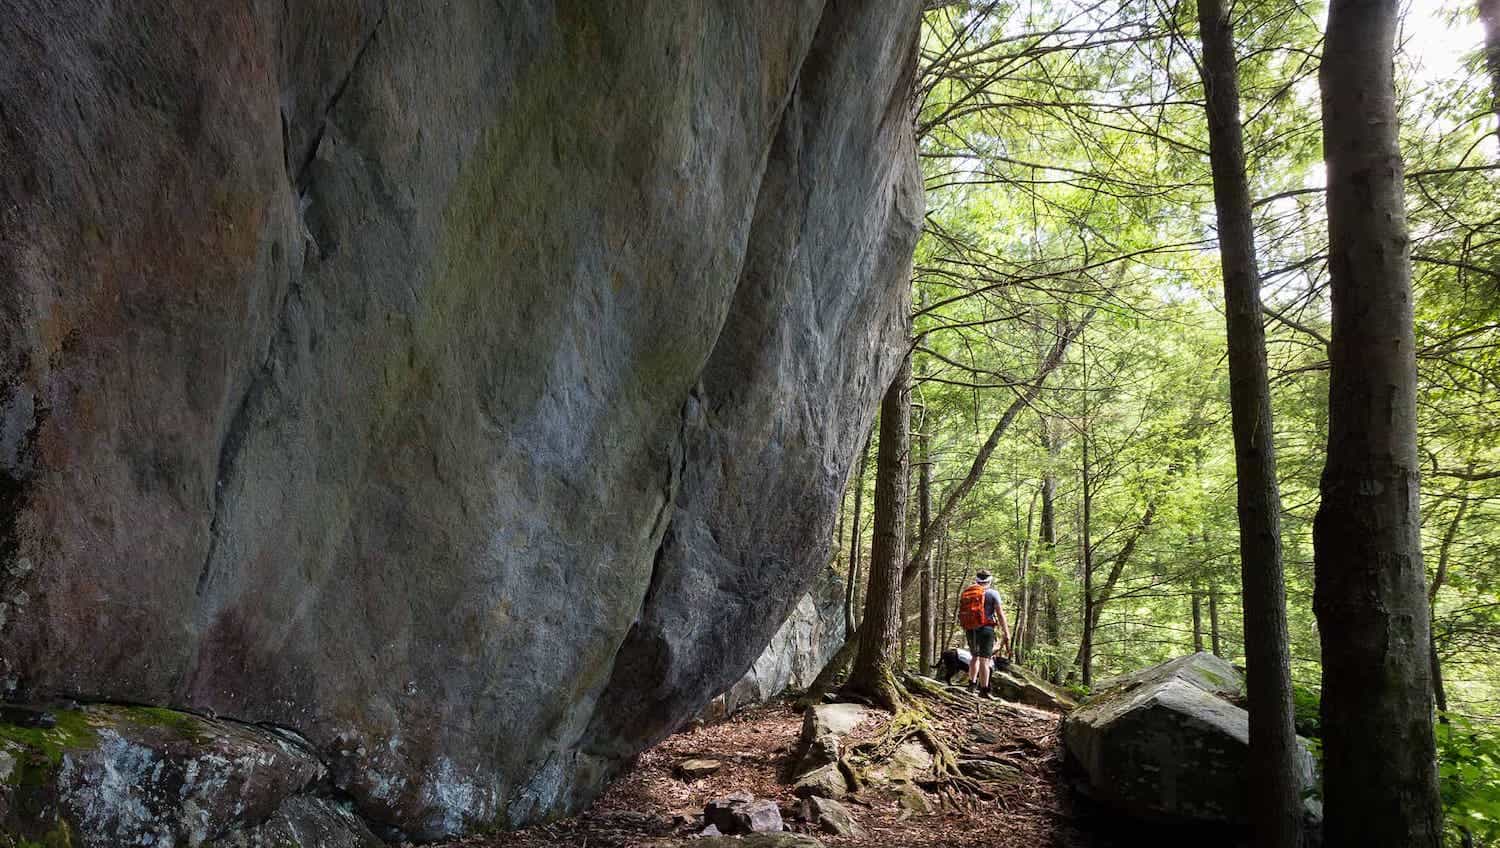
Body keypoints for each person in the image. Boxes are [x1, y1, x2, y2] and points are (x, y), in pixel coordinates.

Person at [956, 570, 1011, 698]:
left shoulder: (968, 592)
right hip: (986, 629)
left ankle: (971, 685)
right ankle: (984, 690)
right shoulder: (992, 593)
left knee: (974, 657)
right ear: (989, 581)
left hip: (970, 628)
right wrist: (1006, 632)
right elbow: (1000, 614)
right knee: (985, 660)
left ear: (977, 580)